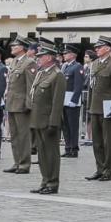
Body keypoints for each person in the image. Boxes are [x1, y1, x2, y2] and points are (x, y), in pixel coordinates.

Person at [28, 42, 66, 194]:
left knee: (51, 153)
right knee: (42, 154)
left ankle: (53, 182)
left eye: (41, 56)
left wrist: (54, 122)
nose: (38, 59)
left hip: (48, 121)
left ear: (49, 57)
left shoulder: (57, 75)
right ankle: (45, 180)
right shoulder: (41, 73)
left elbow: (57, 102)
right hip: (38, 119)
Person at [85, 36, 111, 182]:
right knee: (97, 141)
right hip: (95, 107)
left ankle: (108, 170)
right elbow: (92, 87)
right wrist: (89, 106)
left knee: (108, 141)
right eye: (96, 47)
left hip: (107, 108)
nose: (96, 49)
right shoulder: (94, 64)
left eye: (99, 47)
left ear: (107, 48)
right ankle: (99, 168)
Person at [4, 36, 37, 175]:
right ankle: (17, 161)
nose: (12, 47)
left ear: (22, 47)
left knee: (23, 136)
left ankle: (24, 164)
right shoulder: (14, 63)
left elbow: (31, 86)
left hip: (22, 104)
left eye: (15, 46)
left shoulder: (29, 63)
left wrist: (29, 106)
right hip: (12, 102)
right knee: (15, 135)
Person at [61, 44, 85, 158]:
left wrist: (74, 100)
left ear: (73, 55)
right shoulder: (65, 67)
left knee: (73, 126)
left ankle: (74, 148)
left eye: (66, 53)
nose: (64, 55)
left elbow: (78, 85)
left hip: (72, 101)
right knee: (65, 125)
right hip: (64, 100)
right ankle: (67, 147)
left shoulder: (77, 67)